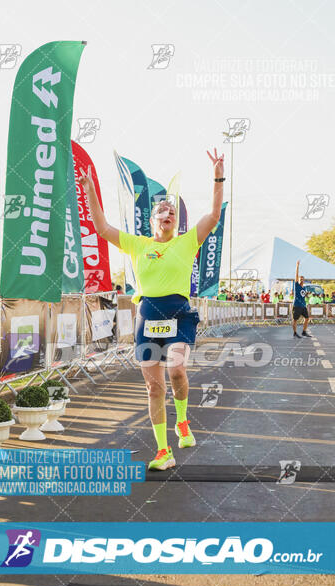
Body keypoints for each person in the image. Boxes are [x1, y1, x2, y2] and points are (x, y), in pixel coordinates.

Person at [79, 147, 225, 471]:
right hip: (147, 314)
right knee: (154, 386)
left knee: (175, 370)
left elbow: (214, 215)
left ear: (176, 220)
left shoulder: (188, 241)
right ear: (153, 219)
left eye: (172, 211)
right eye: (162, 210)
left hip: (178, 312)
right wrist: (89, 189)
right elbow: (102, 228)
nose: (168, 213)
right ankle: (163, 452)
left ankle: (183, 422)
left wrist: (217, 176)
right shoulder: (138, 245)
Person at [292, 260, 310, 338]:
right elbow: (296, 275)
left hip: (303, 305)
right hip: (297, 305)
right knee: (295, 320)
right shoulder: (296, 285)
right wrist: (297, 266)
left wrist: (307, 294)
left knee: (307, 318)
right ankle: (295, 333)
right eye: (300, 279)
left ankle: (304, 331)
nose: (301, 280)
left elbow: (303, 295)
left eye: (302, 279)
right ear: (298, 280)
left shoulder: (304, 287)